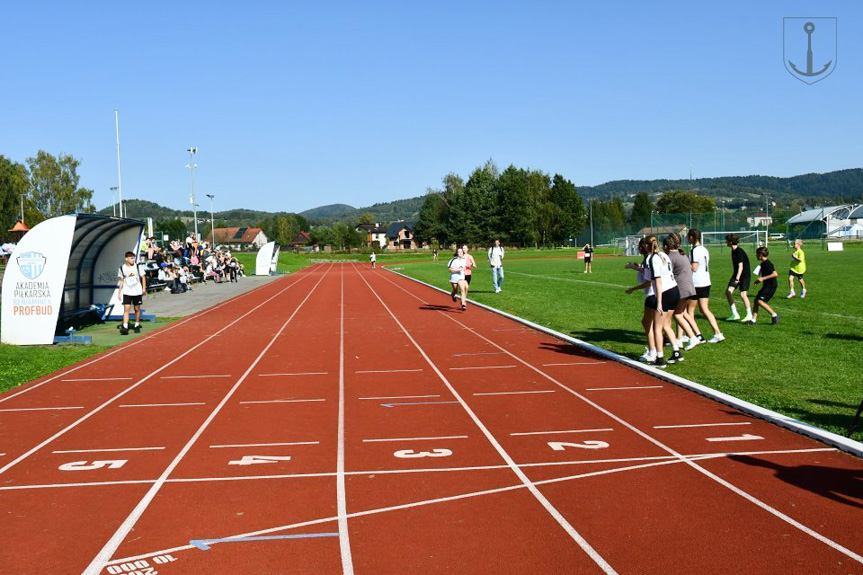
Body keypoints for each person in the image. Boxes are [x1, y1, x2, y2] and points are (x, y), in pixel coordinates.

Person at [687, 229, 724, 343]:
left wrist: (683, 267)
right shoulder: (704, 249)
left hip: (696, 282)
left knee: (689, 311)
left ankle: (693, 335)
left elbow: (694, 267)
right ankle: (717, 333)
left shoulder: (694, 251)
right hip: (706, 281)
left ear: (692, 237)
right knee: (704, 309)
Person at [663, 234, 700, 350]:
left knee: (677, 314)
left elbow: (666, 273)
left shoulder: (670, 257)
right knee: (679, 313)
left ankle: (692, 337)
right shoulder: (682, 254)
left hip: (681, 288)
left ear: (666, 246)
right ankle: (679, 339)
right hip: (689, 287)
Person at [625, 238, 658, 363]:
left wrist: (633, 288)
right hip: (659, 294)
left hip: (652, 295)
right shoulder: (654, 257)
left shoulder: (650, 259)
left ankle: (653, 351)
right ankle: (670, 349)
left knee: (648, 324)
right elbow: (647, 271)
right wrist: (636, 267)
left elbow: (649, 281)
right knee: (656, 325)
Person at [724, 233, 752, 322]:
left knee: (743, 295)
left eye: (727, 241)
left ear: (731, 242)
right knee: (728, 292)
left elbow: (741, 266)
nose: (726, 242)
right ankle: (735, 314)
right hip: (737, 274)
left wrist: (737, 279)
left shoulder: (739, 251)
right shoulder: (733, 251)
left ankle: (749, 315)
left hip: (744, 275)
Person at [117, 251, 146, 335]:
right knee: (126, 309)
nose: (133, 260)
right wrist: (119, 292)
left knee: (137, 309)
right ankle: (125, 326)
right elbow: (121, 280)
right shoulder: (122, 268)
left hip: (137, 291)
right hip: (127, 291)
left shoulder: (137, 267)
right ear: (126, 259)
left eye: (134, 258)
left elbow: (143, 277)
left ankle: (136, 325)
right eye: (131, 258)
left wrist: (144, 288)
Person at [750, 246, 780, 325]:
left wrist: (763, 278)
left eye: (757, 254)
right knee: (756, 301)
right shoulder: (763, 263)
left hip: (771, 286)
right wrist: (759, 281)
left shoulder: (767, 263)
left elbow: (775, 274)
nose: (756, 255)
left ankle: (774, 315)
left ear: (760, 255)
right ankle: (753, 320)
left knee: (760, 301)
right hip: (767, 285)